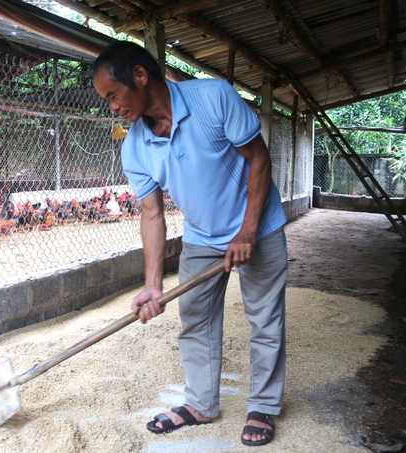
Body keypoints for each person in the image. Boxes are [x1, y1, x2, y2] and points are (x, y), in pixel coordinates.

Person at [93, 41, 288, 447]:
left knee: (264, 320)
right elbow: (151, 214)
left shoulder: (213, 98)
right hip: (201, 236)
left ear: (140, 76)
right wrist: (152, 284)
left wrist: (248, 231)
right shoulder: (134, 146)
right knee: (195, 319)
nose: (111, 107)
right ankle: (201, 403)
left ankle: (263, 406)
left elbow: (259, 159)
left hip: (258, 225)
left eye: (113, 95)